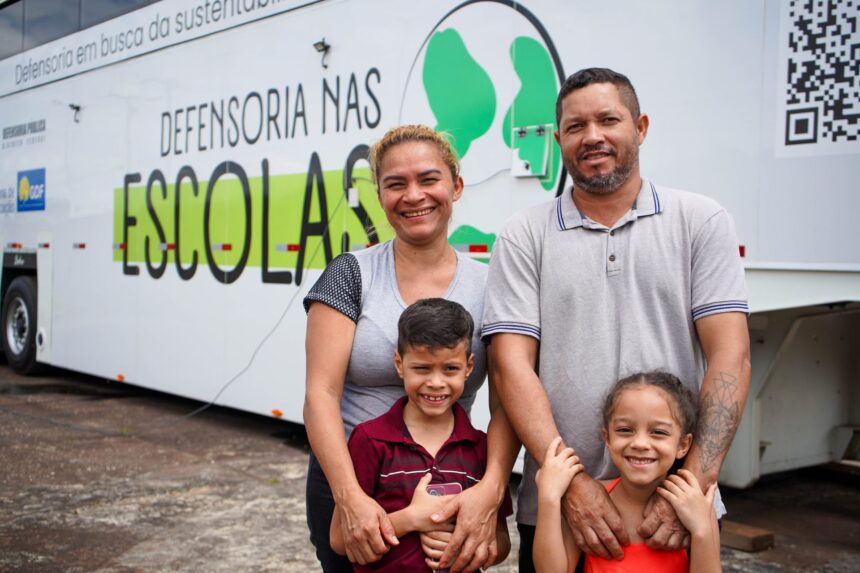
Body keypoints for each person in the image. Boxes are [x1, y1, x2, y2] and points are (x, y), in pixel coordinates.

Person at [482, 67, 751, 572]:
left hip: (676, 512)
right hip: (562, 516)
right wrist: (574, 488)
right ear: (559, 140)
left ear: (640, 127)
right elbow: (509, 367)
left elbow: (730, 357)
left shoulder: (701, 221)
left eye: (608, 120)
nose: (592, 136)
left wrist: (693, 483)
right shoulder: (524, 234)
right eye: (576, 126)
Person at [304, 125, 518, 573]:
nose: (413, 195)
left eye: (428, 179)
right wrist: (350, 498)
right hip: (355, 478)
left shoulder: (492, 284)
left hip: (453, 480)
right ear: (381, 196)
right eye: (396, 184)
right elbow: (321, 394)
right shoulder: (351, 274)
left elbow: (506, 402)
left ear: (456, 187)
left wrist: (491, 488)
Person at [329, 298, 512, 572]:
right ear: (399, 364)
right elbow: (340, 540)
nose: (436, 382)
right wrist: (411, 519)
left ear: (469, 367)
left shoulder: (483, 448)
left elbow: (501, 543)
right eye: (422, 368)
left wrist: (465, 542)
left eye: (450, 369)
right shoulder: (369, 440)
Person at [534, 372, 721, 573]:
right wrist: (549, 499)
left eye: (658, 432)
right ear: (607, 438)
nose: (640, 443)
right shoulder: (588, 504)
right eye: (625, 430)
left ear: (683, 445)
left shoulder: (694, 504)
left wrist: (701, 530)